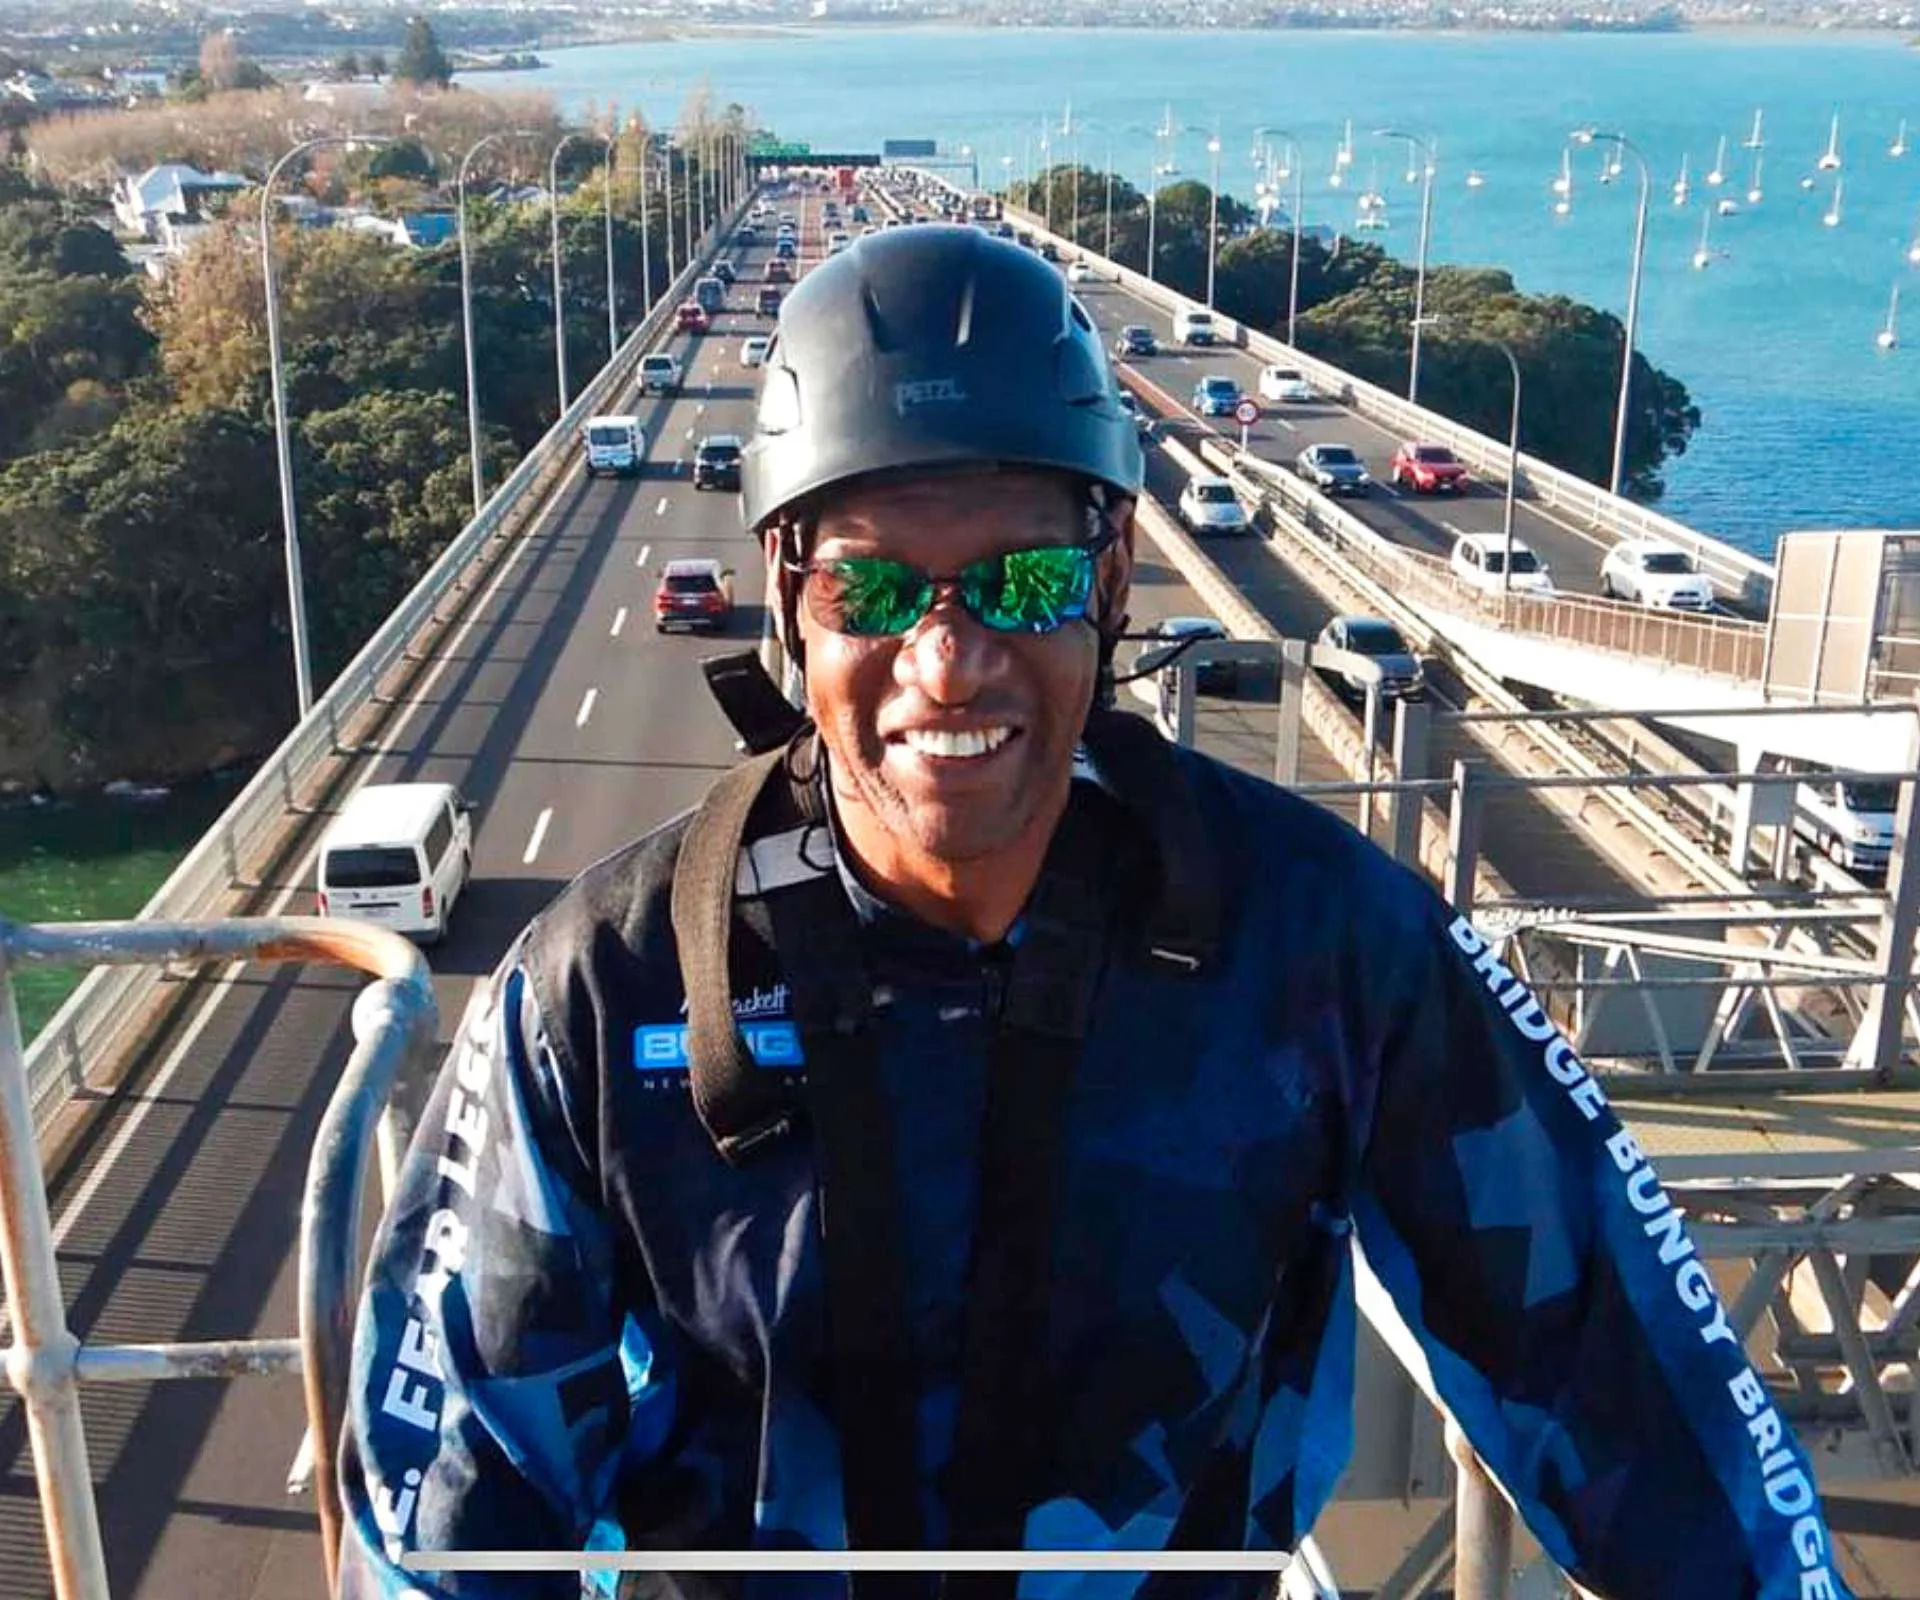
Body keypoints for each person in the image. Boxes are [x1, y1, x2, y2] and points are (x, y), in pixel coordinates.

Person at [338, 224, 1852, 1600]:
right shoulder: (604, 987)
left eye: (1023, 581)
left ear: (1113, 583)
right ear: (790, 604)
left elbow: (1620, 1375)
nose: (946, 662)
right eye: (874, 594)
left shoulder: (1327, 945)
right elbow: (451, 1510)